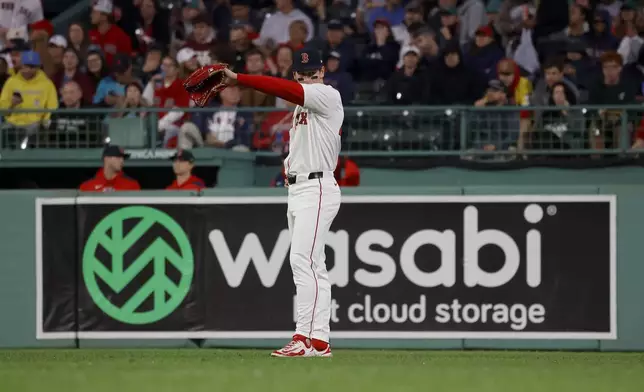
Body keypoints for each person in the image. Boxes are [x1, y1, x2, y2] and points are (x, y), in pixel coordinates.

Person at [222, 47, 342, 358]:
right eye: (303, 76)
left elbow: (282, 89)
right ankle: (320, 340)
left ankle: (302, 338)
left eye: (313, 75)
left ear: (323, 74)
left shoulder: (327, 95)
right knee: (315, 265)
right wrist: (289, 163)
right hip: (302, 187)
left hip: (317, 187)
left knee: (302, 261)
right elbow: (303, 141)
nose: (309, 80)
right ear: (297, 75)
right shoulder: (302, 107)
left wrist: (239, 78)